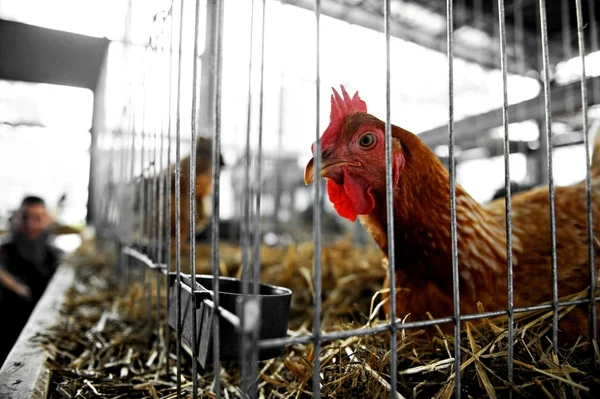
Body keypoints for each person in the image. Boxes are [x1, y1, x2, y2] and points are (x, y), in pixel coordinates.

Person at [0, 196, 63, 365]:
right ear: (16, 217)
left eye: (38, 218)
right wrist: (15, 287)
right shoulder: (4, 252)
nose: (31, 224)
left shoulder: (54, 255)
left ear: (47, 220)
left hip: (41, 335)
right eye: (25, 217)